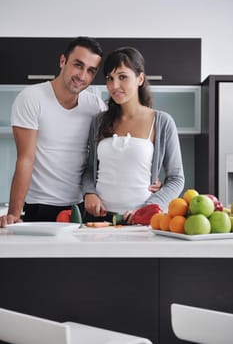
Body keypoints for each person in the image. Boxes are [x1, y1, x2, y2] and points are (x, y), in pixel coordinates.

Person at [0, 36, 107, 227]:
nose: (82, 76)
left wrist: (151, 178)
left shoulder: (95, 106)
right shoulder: (32, 98)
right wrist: (14, 214)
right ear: (62, 61)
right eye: (78, 65)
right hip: (39, 207)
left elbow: (111, 154)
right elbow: (26, 159)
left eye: (91, 71)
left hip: (81, 208)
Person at [82, 46, 185, 223]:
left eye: (122, 77)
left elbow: (176, 179)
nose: (114, 86)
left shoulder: (162, 122)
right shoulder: (98, 121)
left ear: (140, 78)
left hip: (142, 220)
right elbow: (90, 169)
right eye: (109, 78)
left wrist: (148, 207)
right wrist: (89, 192)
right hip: (99, 220)